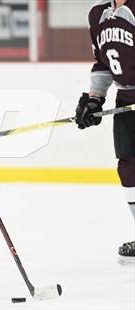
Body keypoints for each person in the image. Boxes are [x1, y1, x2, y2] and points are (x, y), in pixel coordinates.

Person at [75, 0, 135, 264]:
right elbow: (102, 62)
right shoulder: (98, 14)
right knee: (128, 167)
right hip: (126, 99)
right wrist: (94, 98)